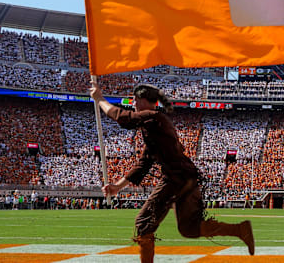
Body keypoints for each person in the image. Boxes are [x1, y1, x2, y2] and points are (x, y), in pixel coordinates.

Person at [90, 83, 255, 263]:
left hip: (176, 177)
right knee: (189, 229)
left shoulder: (152, 117)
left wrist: (100, 99)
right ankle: (239, 230)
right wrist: (117, 187)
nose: (133, 103)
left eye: (135, 99)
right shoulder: (155, 127)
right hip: (187, 176)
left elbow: (124, 118)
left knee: (144, 223)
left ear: (145, 100)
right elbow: (143, 164)